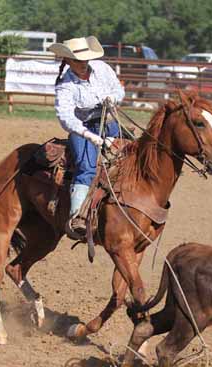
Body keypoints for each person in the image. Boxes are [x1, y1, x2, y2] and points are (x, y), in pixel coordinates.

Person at [49, 36, 125, 238]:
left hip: (108, 121)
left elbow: (118, 88)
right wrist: (88, 135)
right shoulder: (66, 85)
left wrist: (113, 97)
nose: (83, 64)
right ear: (68, 61)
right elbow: (66, 117)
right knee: (87, 167)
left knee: (131, 156)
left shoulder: (102, 68)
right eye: (78, 61)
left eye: (85, 60)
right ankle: (77, 218)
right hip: (82, 127)